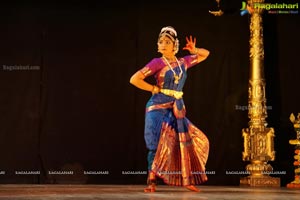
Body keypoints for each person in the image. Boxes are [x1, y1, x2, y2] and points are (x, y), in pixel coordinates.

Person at [130, 26, 210, 192]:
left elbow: (206, 54)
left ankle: (186, 179)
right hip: (157, 107)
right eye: (160, 42)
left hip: (176, 108)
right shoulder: (157, 63)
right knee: (155, 144)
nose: (163, 44)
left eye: (167, 42)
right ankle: (152, 181)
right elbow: (134, 79)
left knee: (181, 143)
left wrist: (195, 50)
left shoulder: (183, 62)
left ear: (175, 45)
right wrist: (154, 89)